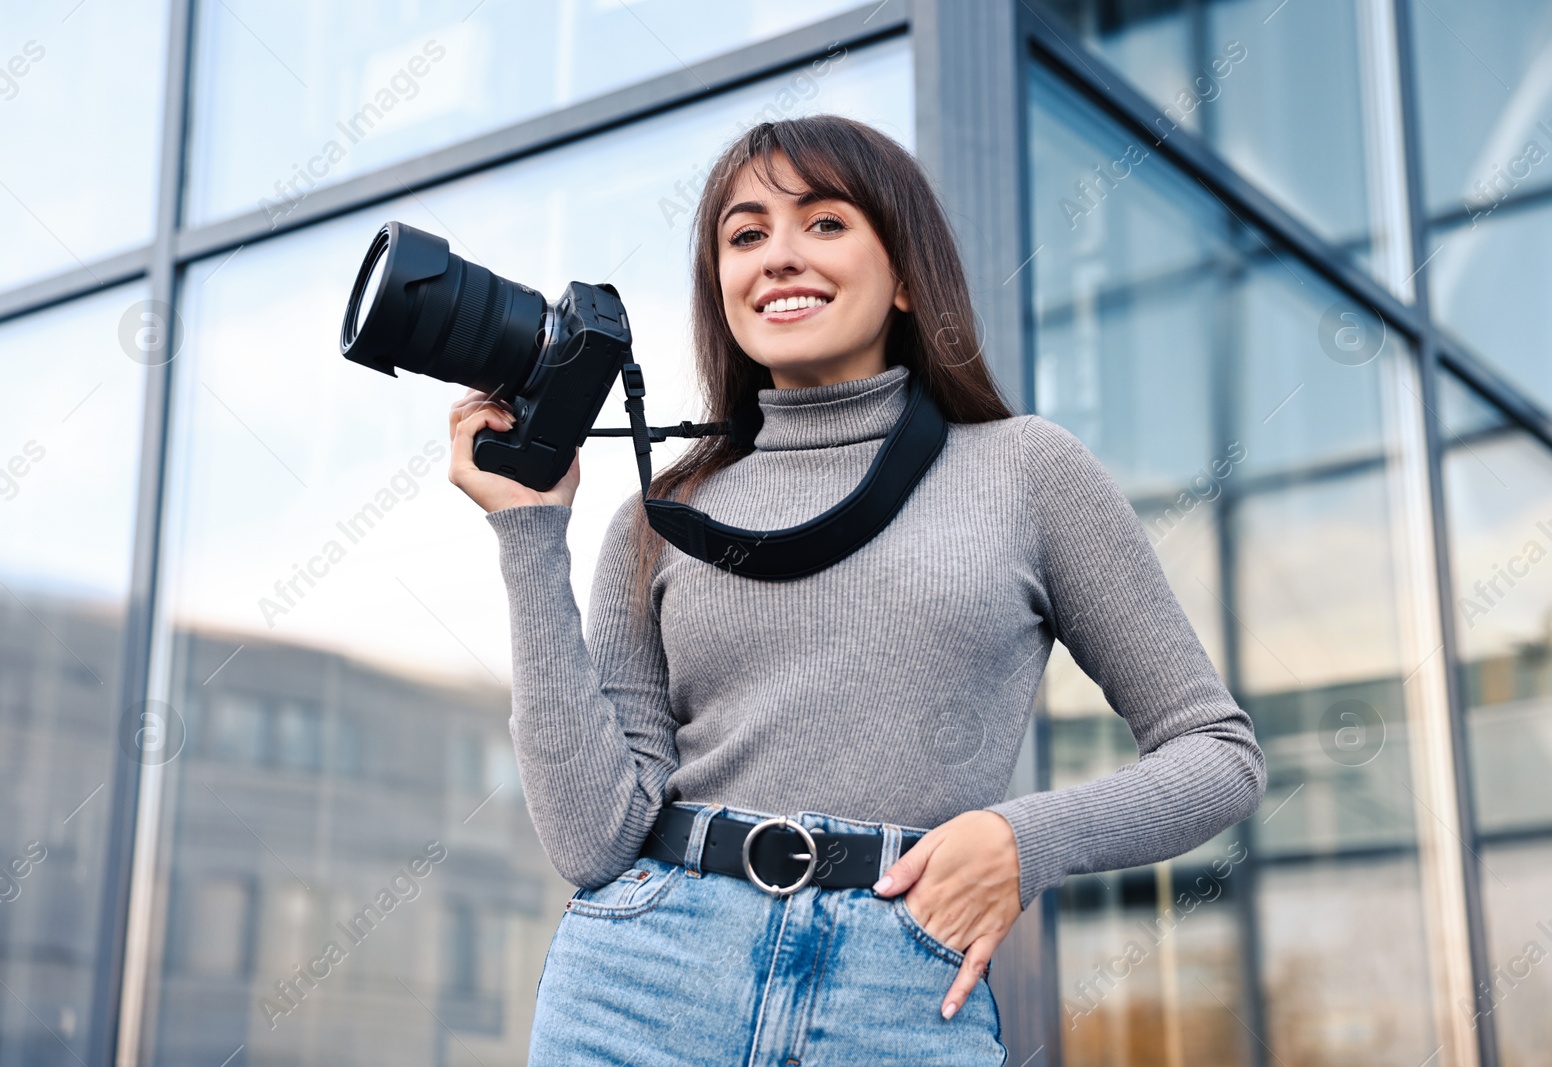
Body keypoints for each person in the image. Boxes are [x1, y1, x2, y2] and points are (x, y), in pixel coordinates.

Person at [447, 114, 1265, 1065]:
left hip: (896, 995)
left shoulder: (1026, 471)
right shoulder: (657, 517)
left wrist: (1023, 838)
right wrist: (530, 529)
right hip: (642, 988)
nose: (779, 257)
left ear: (909, 277)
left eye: (825, 223)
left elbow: (1219, 754)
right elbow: (594, 840)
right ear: (722, 289)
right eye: (746, 236)